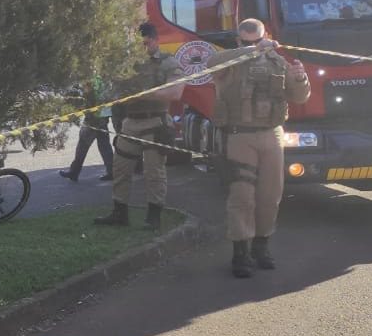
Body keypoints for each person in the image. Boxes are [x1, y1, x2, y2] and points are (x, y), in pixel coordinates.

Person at [206, 18, 311, 278]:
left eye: (257, 40)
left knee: (270, 196)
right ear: (238, 40)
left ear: (267, 36)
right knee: (242, 197)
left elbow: (299, 97)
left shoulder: (278, 62)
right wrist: (253, 50)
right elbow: (211, 64)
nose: (253, 45)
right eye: (246, 41)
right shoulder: (229, 61)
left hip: (272, 134)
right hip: (240, 136)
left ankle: (261, 247)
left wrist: (300, 78)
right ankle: (240, 253)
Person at [94, 22, 184, 229]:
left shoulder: (167, 62)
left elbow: (175, 93)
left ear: (156, 40)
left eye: (146, 43)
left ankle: (153, 216)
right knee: (120, 169)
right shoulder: (127, 65)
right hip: (130, 123)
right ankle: (119, 213)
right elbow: (111, 93)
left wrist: (145, 94)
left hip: (155, 122)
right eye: (138, 45)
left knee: (154, 172)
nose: (143, 48)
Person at [59, 75, 115, 182]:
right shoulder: (101, 79)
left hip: (92, 120)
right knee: (105, 147)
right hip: (101, 118)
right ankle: (112, 171)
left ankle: (74, 172)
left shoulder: (91, 80)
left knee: (82, 147)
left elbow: (86, 100)